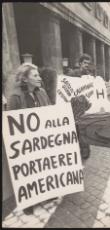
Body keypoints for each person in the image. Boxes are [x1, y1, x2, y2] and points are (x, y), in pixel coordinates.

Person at [8, 63, 53, 215]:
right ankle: (28, 200)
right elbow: (10, 124)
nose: (39, 78)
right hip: (25, 144)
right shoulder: (15, 97)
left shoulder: (42, 92)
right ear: (25, 79)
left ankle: (45, 192)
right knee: (27, 170)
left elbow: (50, 111)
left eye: (38, 75)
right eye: (35, 76)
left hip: (41, 139)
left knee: (42, 166)